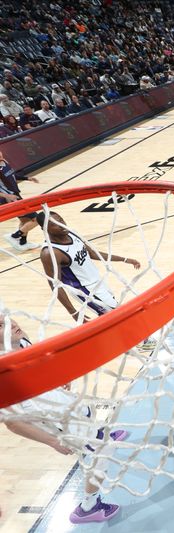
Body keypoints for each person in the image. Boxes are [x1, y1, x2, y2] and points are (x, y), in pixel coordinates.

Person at [0, 315, 127, 524]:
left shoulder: (22, 341)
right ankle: (89, 506)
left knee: (108, 407)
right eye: (0, 325)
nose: (11, 324)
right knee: (105, 449)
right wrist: (52, 442)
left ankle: (97, 435)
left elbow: (43, 363)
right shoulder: (4, 375)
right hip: (60, 424)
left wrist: (58, 375)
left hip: (67, 402)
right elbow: (13, 423)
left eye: (7, 319)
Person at [36, 211, 155, 349]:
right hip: (86, 290)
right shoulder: (50, 253)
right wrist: (73, 312)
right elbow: (55, 285)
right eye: (54, 224)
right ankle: (143, 343)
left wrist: (124, 259)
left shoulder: (71, 234)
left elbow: (92, 253)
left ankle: (112, 338)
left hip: (98, 281)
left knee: (110, 313)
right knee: (119, 313)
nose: (61, 225)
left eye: (61, 220)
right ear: (45, 229)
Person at [1, 150, 41, 251]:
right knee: (37, 219)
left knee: (25, 220)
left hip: (15, 195)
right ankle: (14, 236)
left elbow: (12, 176)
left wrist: (27, 178)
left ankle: (23, 243)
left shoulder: (4, 162)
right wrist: (6, 195)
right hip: (8, 199)